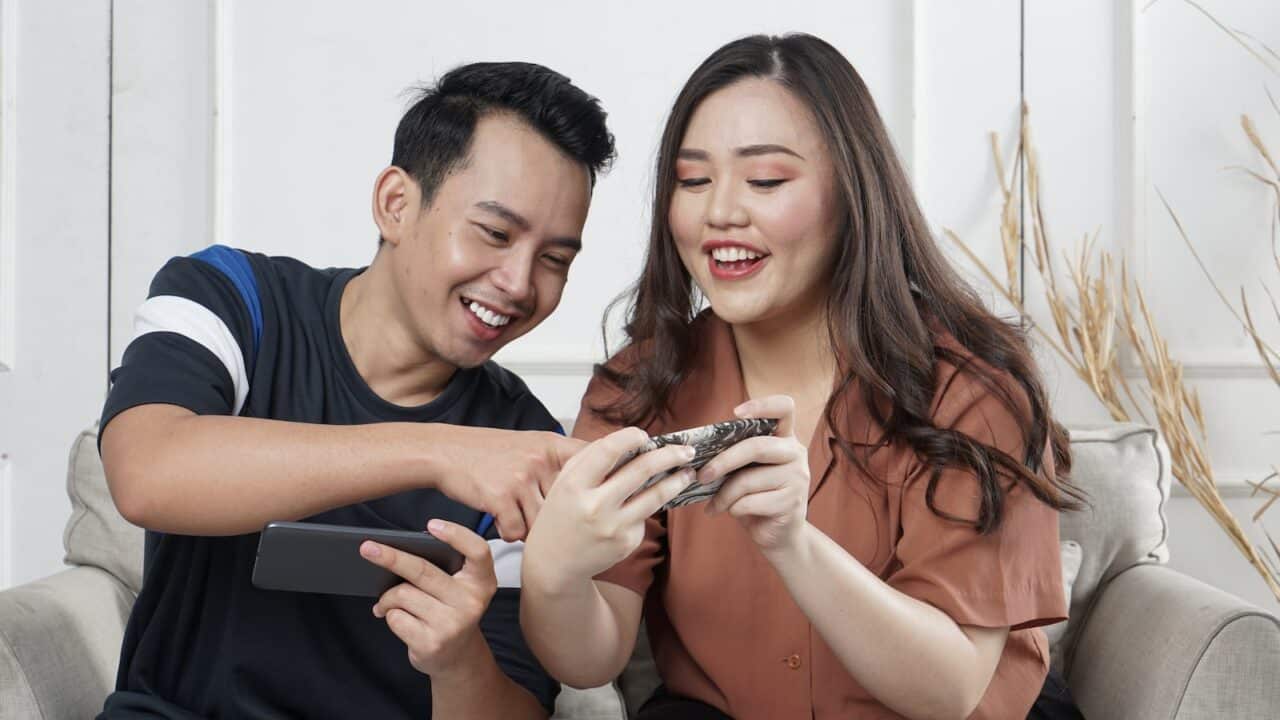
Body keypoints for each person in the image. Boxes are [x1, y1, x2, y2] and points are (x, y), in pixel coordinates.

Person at [520, 34, 1084, 720]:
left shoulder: (972, 391)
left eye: (766, 181)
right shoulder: (641, 384)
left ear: (852, 193)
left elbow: (952, 691)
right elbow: (592, 655)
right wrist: (554, 573)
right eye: (692, 180)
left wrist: (793, 543)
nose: (719, 212)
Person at [97, 61, 614, 719]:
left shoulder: (522, 449)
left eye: (554, 260)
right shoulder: (233, 299)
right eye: (494, 232)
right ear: (396, 204)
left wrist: (458, 663)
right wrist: (439, 453)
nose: (519, 282)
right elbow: (147, 473)